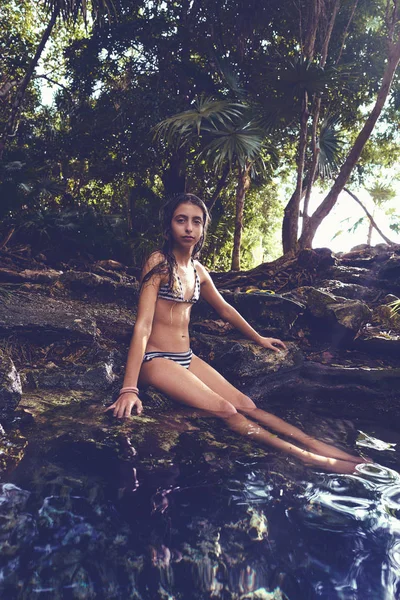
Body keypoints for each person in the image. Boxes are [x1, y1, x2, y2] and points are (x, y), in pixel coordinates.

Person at [106, 193, 365, 474]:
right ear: (169, 226)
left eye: (196, 222)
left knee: (246, 404)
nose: (189, 228)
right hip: (156, 360)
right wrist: (128, 389)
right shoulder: (158, 262)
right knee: (226, 409)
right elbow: (143, 324)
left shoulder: (197, 271)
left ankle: (313, 443)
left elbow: (226, 310)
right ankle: (307, 457)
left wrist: (258, 338)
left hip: (186, 357)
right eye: (181, 221)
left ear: (204, 228)